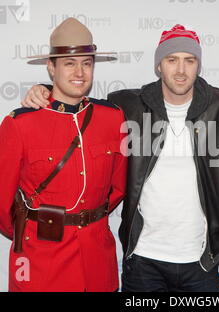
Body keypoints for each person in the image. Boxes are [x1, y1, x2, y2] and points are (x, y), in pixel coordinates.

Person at [21, 25, 219, 292]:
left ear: (199, 65)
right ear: (159, 65)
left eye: (189, 60)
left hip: (201, 258)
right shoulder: (128, 105)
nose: (181, 70)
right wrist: (48, 89)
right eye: (171, 60)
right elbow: (83, 110)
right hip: (143, 260)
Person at [0, 18, 127, 292]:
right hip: (41, 261)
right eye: (69, 63)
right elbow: (2, 201)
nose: (79, 72)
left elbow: (118, 188)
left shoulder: (112, 118)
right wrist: (31, 229)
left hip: (98, 260)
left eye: (87, 63)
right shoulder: (19, 124)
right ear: (51, 68)